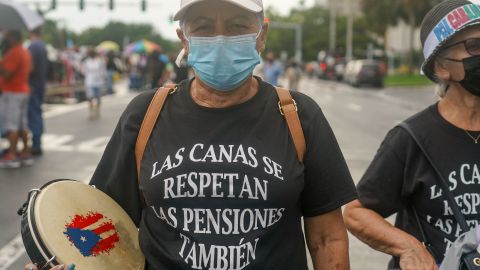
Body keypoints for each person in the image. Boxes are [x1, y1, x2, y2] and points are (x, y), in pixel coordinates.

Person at [25, 0, 356, 269]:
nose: (220, 37)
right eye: (203, 27)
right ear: (184, 39)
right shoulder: (145, 114)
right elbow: (105, 224)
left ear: (261, 35)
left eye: (237, 25)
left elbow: (327, 238)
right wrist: (62, 254)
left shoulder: (298, 115)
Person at [343, 1, 480, 269]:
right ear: (441, 66)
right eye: (474, 47)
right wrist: (409, 247)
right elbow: (356, 213)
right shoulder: (411, 138)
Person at [0, 30, 32, 168]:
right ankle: (25, 152)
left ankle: (12, 155)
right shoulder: (24, 51)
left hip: (12, 92)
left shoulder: (14, 52)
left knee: (11, 125)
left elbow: (7, 74)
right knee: (22, 124)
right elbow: (31, 69)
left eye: (7, 36)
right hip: (22, 90)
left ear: (13, 38)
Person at [27, 27, 48, 156]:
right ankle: (37, 142)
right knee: (37, 113)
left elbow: (30, 67)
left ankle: (36, 144)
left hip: (32, 84)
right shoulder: (42, 46)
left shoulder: (33, 47)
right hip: (40, 84)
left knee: (33, 115)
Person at [82, 48, 106, 120]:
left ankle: (97, 110)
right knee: (90, 97)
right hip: (89, 81)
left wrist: (103, 79)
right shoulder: (86, 62)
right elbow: (84, 71)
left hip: (98, 82)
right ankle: (91, 112)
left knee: (98, 97)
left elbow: (102, 71)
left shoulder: (99, 61)